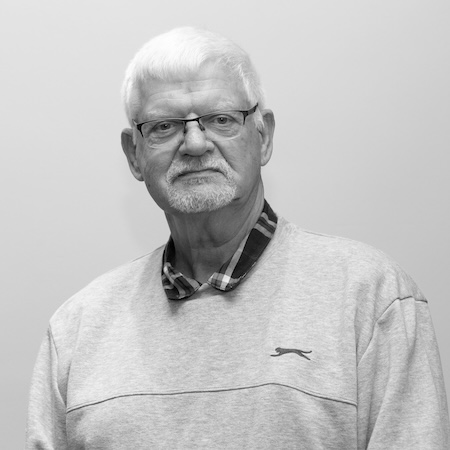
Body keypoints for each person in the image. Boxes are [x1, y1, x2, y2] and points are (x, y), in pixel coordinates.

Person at [26, 27, 449, 449]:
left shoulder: (370, 298)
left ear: (263, 137)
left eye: (221, 119)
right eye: (164, 126)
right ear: (134, 154)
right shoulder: (77, 329)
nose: (194, 144)